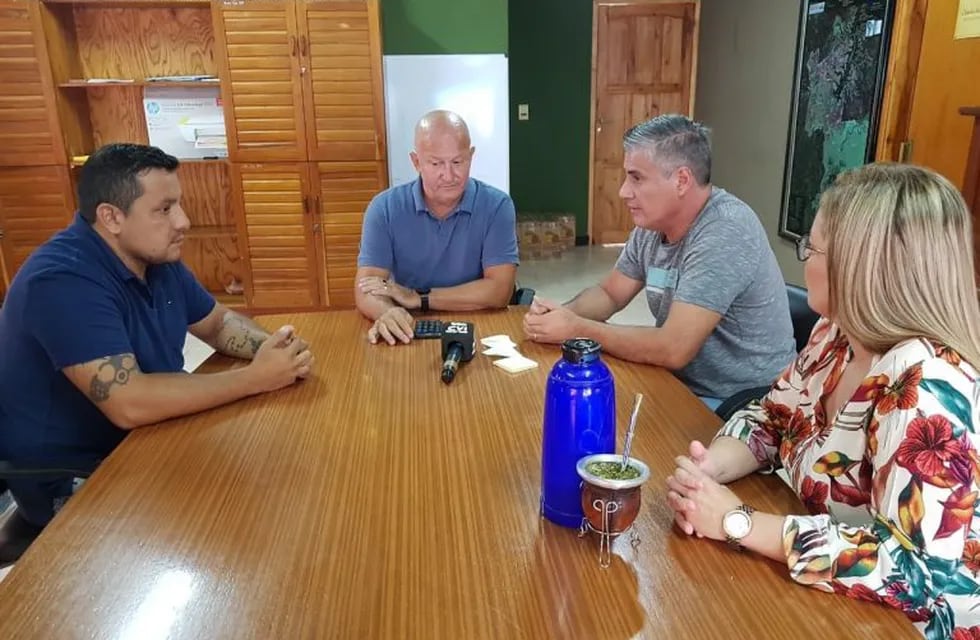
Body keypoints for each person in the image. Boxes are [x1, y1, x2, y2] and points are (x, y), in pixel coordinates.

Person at [665, 163, 980, 636]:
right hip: (823, 598)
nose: (803, 258)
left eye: (811, 246)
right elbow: (773, 418)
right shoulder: (837, 333)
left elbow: (913, 572)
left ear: (860, 267)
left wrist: (737, 521)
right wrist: (711, 470)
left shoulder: (925, 384)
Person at [0, 143, 314, 563]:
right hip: (74, 471)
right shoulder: (61, 280)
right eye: (164, 210)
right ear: (111, 217)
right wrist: (256, 378)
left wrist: (276, 350)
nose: (183, 221)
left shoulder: (156, 258)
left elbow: (217, 324)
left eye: (178, 205)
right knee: (237, 533)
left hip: (146, 441)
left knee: (275, 489)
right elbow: (127, 402)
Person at [523, 114, 795, 407]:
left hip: (745, 403)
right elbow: (610, 294)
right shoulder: (652, 227)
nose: (623, 192)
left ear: (681, 180)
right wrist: (560, 315)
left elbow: (673, 348)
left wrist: (577, 328)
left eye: (636, 177)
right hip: (682, 382)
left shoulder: (726, 229)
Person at [355, 109, 519, 346]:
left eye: (457, 162)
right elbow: (366, 286)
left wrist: (419, 298)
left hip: (478, 325)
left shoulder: (497, 206)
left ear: (471, 156)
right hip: (409, 326)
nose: (449, 175)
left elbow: (499, 291)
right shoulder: (384, 208)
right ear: (416, 162)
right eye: (436, 163)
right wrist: (386, 312)